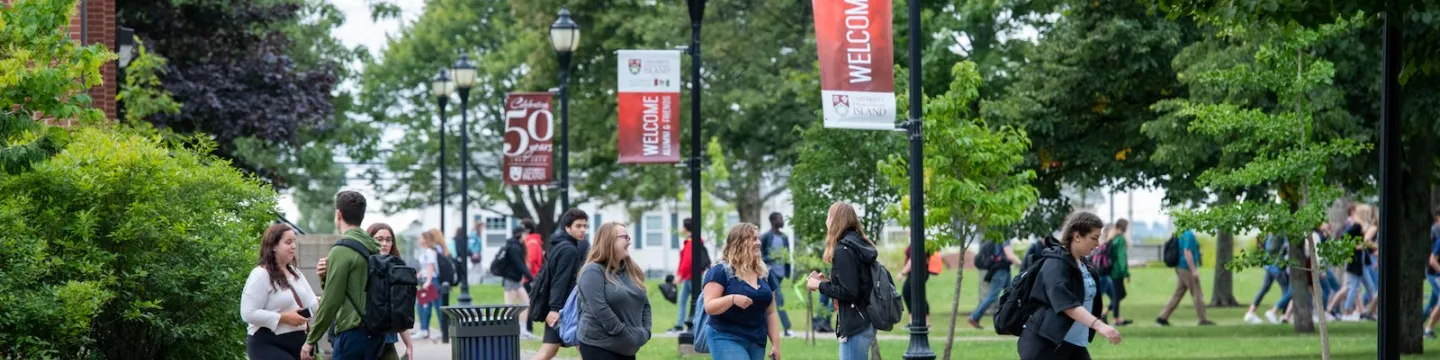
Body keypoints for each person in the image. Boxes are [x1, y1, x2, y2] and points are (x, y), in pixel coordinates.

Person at [1017, 212, 1121, 359]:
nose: (1097, 244)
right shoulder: (1055, 264)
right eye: (1094, 238)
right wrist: (1100, 325)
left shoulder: (1083, 264)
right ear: (1077, 236)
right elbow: (1066, 303)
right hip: (1046, 344)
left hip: (1073, 344)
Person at [303, 191, 385, 360]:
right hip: (375, 333)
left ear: (338, 214)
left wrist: (311, 340)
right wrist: (325, 277)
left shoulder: (342, 250)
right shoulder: (373, 246)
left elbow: (331, 300)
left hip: (352, 334)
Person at [807, 202, 876, 360]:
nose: (826, 222)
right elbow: (856, 283)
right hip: (863, 320)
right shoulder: (858, 242)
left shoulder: (843, 249)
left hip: (855, 324)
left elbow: (850, 292)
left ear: (835, 220)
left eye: (828, 217)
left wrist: (819, 285)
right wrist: (830, 282)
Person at [706, 223, 784, 360]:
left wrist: (776, 345)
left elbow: (771, 312)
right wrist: (732, 299)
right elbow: (709, 306)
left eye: (758, 238)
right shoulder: (720, 271)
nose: (758, 242)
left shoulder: (764, 272)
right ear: (739, 242)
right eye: (753, 239)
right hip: (726, 337)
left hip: (756, 339)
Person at [577, 222, 654, 360]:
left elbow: (645, 303)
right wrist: (626, 335)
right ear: (609, 241)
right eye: (625, 237)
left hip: (627, 348)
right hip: (600, 345)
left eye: (628, 238)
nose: (629, 242)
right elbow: (600, 309)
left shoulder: (630, 270)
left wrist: (645, 332)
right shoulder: (592, 271)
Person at [243, 223, 319, 360]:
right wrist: (283, 318)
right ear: (273, 246)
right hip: (268, 344)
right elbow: (248, 313)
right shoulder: (260, 274)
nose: (293, 246)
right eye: (288, 242)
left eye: (294, 242)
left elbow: (313, 304)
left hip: (299, 344)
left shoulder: (296, 274)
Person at [532, 209, 590, 360]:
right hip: (564, 310)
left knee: (549, 351)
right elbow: (560, 280)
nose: (583, 229)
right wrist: (555, 309)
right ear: (567, 227)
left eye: (585, 226)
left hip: (561, 308)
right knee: (586, 351)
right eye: (578, 226)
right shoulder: (569, 250)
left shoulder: (559, 245)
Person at [368, 224, 417, 360]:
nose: (384, 243)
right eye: (379, 239)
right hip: (364, 339)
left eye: (388, 240)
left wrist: (409, 344)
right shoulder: (362, 266)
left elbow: (400, 310)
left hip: (388, 340)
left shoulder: (398, 269)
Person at [1157, 228, 1215, 326]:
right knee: (1197, 293)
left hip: (1179, 267)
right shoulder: (1189, 235)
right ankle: (1203, 319)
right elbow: (1187, 252)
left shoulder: (1180, 233)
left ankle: (1162, 317)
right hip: (1186, 268)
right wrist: (1194, 270)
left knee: (1178, 293)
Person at [969, 238, 1022, 329]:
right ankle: (974, 316)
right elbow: (1009, 255)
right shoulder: (1004, 236)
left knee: (1012, 293)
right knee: (993, 296)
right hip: (1000, 271)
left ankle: (1011, 319)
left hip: (1003, 270)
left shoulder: (999, 235)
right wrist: (1022, 264)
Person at [498, 225, 537, 339]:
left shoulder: (518, 246)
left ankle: (523, 330)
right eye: (524, 233)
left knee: (526, 302)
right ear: (519, 234)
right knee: (510, 306)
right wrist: (532, 278)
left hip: (516, 281)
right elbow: (520, 265)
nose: (526, 235)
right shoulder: (513, 247)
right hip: (510, 281)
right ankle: (506, 330)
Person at [759, 212, 795, 337]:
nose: (783, 221)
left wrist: (788, 272)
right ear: (773, 221)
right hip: (770, 272)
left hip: (780, 273)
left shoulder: (784, 237)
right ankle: (787, 328)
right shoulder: (765, 237)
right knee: (779, 299)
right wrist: (771, 257)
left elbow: (787, 255)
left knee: (768, 300)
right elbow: (759, 256)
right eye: (780, 219)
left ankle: (761, 326)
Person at [1340, 204, 1378, 321]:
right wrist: (1355, 246)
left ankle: (1373, 312)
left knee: (1370, 287)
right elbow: (1343, 237)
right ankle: (1346, 313)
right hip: (1356, 261)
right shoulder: (1357, 226)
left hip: (1361, 261)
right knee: (1354, 287)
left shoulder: (1361, 226)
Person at [1245, 234, 1291, 325]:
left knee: (1265, 288)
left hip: (1269, 265)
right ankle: (1280, 314)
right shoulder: (1279, 233)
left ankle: (1251, 312)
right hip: (1276, 266)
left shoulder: (1274, 233)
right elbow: (1272, 248)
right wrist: (1283, 254)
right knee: (1287, 291)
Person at [671, 218, 704, 333]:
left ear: (685, 228)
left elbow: (687, 261)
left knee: (697, 301)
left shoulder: (691, 242)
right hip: (690, 276)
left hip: (690, 276)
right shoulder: (693, 241)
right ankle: (680, 324)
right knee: (684, 300)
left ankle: (695, 324)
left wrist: (680, 275)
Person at [412, 229, 444, 341]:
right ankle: (425, 329)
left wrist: (428, 281)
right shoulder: (427, 251)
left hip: (431, 281)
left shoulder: (430, 252)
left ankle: (428, 330)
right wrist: (419, 275)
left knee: (426, 305)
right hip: (428, 280)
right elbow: (426, 267)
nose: (418, 240)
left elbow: (431, 267)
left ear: (425, 239)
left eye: (420, 237)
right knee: (426, 305)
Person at [900, 245, 940, 326]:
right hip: (913, 273)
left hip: (920, 272)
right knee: (908, 293)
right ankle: (912, 321)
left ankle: (926, 322)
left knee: (917, 294)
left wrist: (903, 272)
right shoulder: (912, 242)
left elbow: (913, 259)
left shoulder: (921, 242)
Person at [1104, 220, 1132, 326]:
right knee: (1118, 295)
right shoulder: (1120, 239)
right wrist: (1126, 273)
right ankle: (1114, 318)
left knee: (1119, 294)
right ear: (1124, 227)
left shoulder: (1113, 237)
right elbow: (1122, 257)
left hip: (1112, 270)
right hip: (1117, 272)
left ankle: (1110, 315)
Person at [1426, 207, 1440, 321]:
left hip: (1435, 271)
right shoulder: (1434, 230)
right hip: (1433, 272)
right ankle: (1428, 329)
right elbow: (1432, 258)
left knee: (1432, 302)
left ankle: (1418, 322)